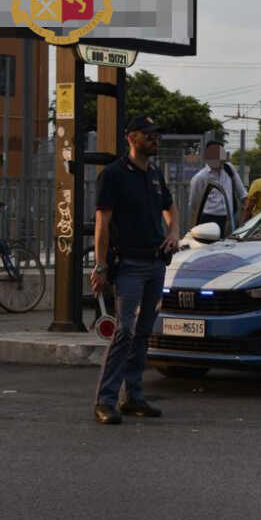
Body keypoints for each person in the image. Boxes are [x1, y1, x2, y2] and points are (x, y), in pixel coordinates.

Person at [90, 115, 180, 425]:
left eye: (156, 134)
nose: (155, 139)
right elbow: (102, 224)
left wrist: (174, 232)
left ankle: (134, 397)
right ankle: (106, 400)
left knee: (143, 332)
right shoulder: (114, 175)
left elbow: (170, 207)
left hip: (155, 263)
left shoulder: (154, 174)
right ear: (132, 138)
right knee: (124, 331)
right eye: (149, 134)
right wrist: (100, 266)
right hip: (127, 265)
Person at [189, 140, 247, 234]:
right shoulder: (200, 178)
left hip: (229, 219)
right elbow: (194, 204)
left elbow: (242, 193)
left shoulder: (229, 169)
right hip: (208, 220)